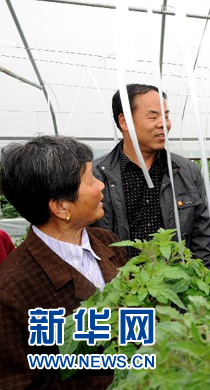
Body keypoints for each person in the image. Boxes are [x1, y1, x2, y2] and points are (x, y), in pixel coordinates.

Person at [0, 136, 129, 389]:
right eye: (90, 179)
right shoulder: (12, 290)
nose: (101, 185)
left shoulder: (107, 241)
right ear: (61, 207)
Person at [92, 84, 210, 267]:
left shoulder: (187, 172)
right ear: (124, 122)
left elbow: (202, 240)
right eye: (153, 117)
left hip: (176, 282)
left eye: (166, 116)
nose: (164, 124)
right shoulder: (95, 177)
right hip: (122, 283)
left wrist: (202, 279)